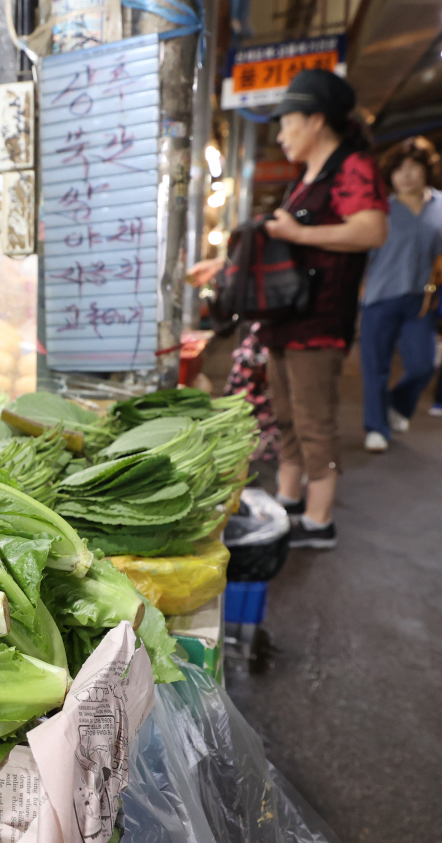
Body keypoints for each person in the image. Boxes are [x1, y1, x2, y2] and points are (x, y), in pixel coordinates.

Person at [190, 69, 388, 550]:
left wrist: (299, 233)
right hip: (285, 319)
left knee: (315, 420)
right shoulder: (306, 178)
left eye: (286, 123)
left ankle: (320, 523)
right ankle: (289, 501)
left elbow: (371, 230)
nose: (280, 135)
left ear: (317, 120)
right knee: (286, 418)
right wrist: (225, 264)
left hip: (319, 323)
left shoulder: (351, 167)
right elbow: (277, 249)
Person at [357, 137, 442, 452]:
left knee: (424, 364)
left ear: (426, 170)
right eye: (398, 170)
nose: (405, 175)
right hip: (378, 298)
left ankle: (397, 405)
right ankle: (376, 428)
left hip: (420, 301)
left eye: (412, 167)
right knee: (375, 367)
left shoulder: (440, 206)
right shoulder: (380, 210)